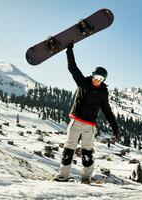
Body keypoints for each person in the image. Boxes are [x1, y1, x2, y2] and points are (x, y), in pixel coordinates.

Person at [54, 41, 119, 184]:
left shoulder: (103, 92)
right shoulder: (83, 83)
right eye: (96, 77)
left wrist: (115, 127)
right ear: (93, 75)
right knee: (68, 150)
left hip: (89, 126)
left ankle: (86, 179)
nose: (97, 80)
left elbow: (107, 111)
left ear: (103, 81)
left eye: (101, 79)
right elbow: (72, 68)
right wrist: (69, 50)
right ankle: (63, 176)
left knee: (87, 153)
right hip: (76, 121)